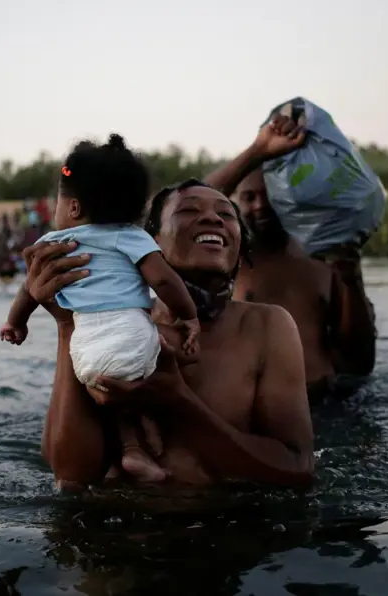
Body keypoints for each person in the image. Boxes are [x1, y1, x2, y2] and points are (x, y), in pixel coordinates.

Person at [25, 117, 315, 491]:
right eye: (188, 212)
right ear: (148, 243)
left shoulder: (267, 326)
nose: (212, 217)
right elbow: (71, 479)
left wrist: (177, 402)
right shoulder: (115, 324)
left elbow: (298, 470)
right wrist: (67, 326)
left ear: (241, 248)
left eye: (227, 215)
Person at [0, 134, 200, 484]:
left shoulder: (51, 244)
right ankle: (139, 444)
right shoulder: (133, 237)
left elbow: (28, 292)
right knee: (152, 371)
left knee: (101, 388)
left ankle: (116, 459)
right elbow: (165, 282)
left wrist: (16, 323)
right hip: (132, 333)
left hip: (86, 345)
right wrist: (189, 315)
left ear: (73, 208)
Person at [205, 121, 377, 400]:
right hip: (258, 404)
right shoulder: (226, 259)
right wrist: (258, 150)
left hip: (329, 403)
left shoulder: (324, 254)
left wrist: (351, 276)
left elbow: (360, 363)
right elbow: (188, 203)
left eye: (270, 196)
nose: (260, 205)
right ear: (235, 202)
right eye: (249, 197)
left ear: (287, 197)